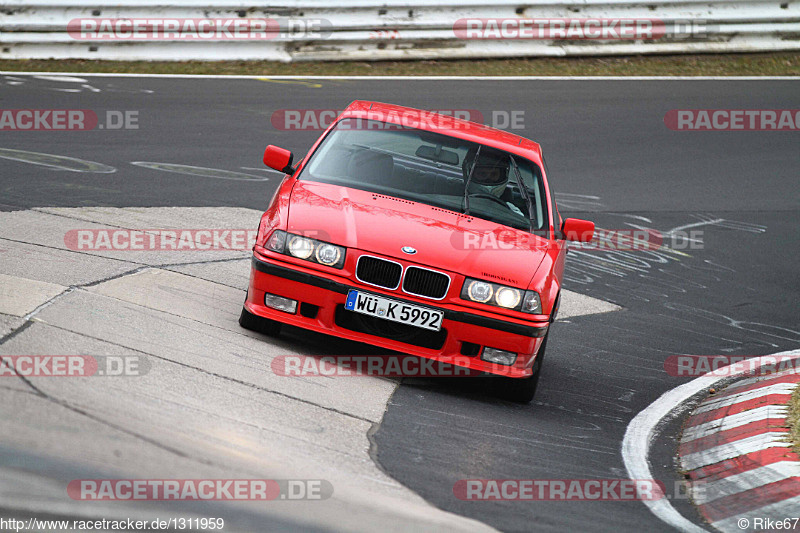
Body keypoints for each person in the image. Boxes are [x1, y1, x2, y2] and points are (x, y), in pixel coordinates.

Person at [461, 146, 526, 216]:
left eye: (494, 174)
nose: (488, 179)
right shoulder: (451, 201)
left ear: (503, 175)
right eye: (482, 174)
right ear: (469, 173)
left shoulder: (512, 212)